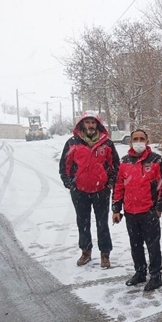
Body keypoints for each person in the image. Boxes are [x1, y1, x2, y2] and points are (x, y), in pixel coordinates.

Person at [112, 129, 162, 292]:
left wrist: (159, 208)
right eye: (135, 139)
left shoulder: (157, 161)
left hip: (149, 211)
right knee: (135, 245)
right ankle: (140, 272)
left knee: (153, 245)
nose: (138, 141)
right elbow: (118, 186)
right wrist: (116, 208)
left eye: (142, 139)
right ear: (130, 142)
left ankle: (155, 276)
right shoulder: (124, 162)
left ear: (147, 141)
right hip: (131, 212)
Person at [59, 112, 120, 268]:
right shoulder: (72, 143)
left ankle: (105, 254)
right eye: (87, 122)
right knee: (83, 222)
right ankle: (86, 252)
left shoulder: (107, 144)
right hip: (80, 191)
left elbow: (115, 166)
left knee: (102, 223)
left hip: (101, 190)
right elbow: (64, 166)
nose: (91, 125)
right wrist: (70, 183)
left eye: (93, 122)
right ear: (82, 124)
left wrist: (110, 183)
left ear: (98, 124)